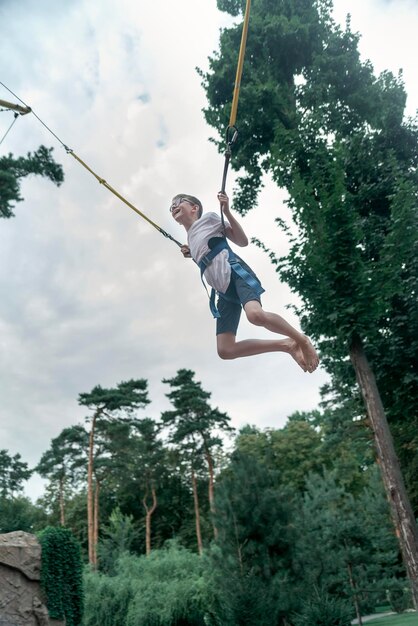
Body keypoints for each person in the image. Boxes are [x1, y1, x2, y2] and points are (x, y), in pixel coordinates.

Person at [170, 191, 319, 373]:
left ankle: (302, 339)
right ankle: (287, 345)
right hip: (223, 290)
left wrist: (227, 212)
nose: (174, 206)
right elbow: (209, 263)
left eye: (178, 202)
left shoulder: (208, 219)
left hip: (236, 273)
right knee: (225, 350)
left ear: (194, 208)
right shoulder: (190, 240)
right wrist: (192, 254)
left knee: (255, 315)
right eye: (171, 206)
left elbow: (242, 241)